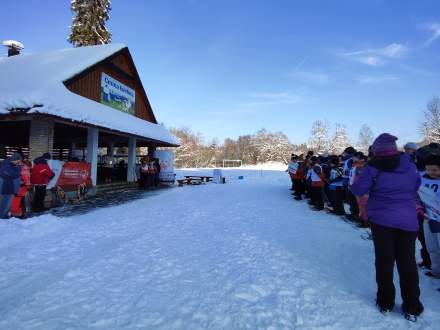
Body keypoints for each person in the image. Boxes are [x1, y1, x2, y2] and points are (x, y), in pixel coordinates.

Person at [351, 133, 424, 320]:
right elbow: (417, 185)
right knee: (407, 262)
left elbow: (358, 189)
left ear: (376, 150)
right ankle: (412, 306)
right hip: (408, 220)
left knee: (384, 261)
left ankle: (385, 302)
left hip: (382, 220)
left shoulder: (372, 167)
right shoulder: (409, 164)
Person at [418, 155, 440, 282]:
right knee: (432, 246)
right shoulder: (421, 180)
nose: (431, 172)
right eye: (428, 169)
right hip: (429, 218)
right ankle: (436, 271)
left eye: (435, 170)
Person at [0, 153, 22, 219]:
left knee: (7, 205)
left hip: (10, 189)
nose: (19, 162)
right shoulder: (6, 165)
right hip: (5, 189)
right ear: (15, 159)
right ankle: (3, 218)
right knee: (5, 205)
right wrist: (19, 167)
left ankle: (4, 217)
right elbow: (14, 174)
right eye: (18, 161)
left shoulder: (12, 165)